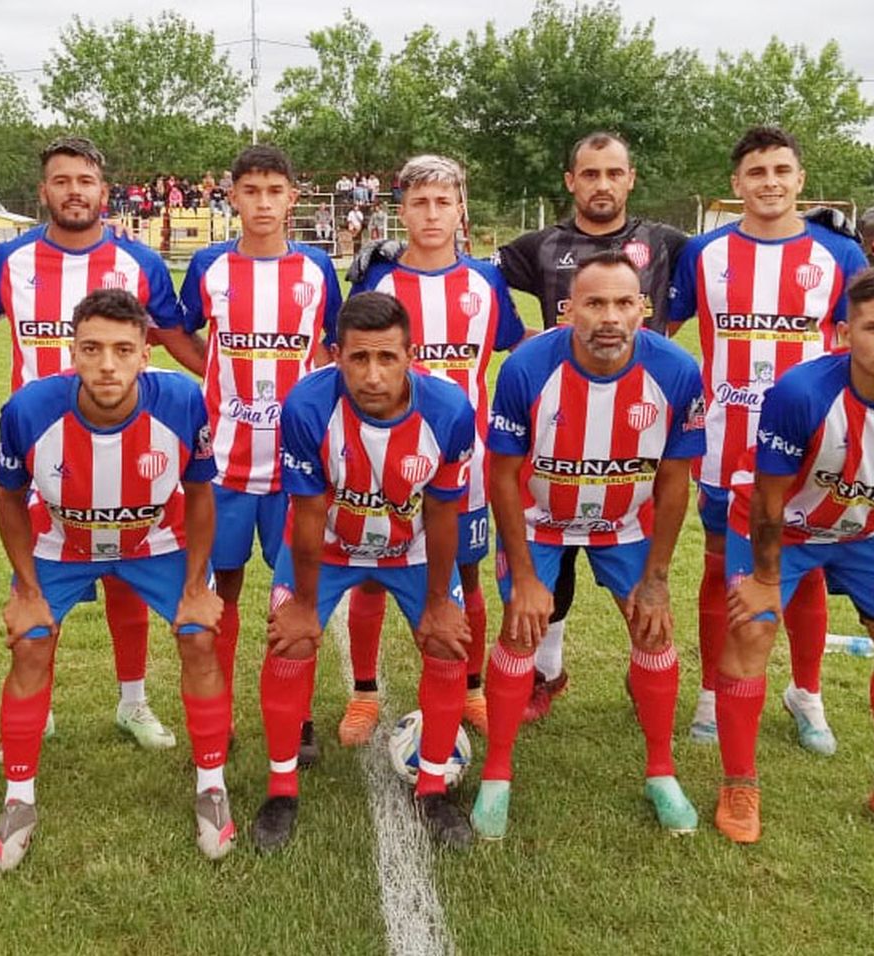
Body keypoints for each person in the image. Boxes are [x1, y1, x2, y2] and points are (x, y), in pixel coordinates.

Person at [714, 269, 874, 846]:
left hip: (869, 531)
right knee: (751, 628)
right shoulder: (801, 392)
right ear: (843, 333)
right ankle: (738, 782)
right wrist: (762, 578)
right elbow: (768, 499)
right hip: (785, 527)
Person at [0, 288, 230, 867]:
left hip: (156, 540)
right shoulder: (27, 410)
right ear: (71, 351)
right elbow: (10, 501)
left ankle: (212, 787)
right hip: (61, 543)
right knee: (29, 646)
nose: (106, 365)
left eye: (124, 350)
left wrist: (196, 586)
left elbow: (199, 496)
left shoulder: (182, 401)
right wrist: (25, 590)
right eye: (91, 349)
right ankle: (19, 798)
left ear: (147, 353)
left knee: (199, 639)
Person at [473, 251, 707, 840]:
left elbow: (676, 480)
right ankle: (497, 775)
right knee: (520, 628)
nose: (610, 317)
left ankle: (661, 772)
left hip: (626, 524)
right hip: (539, 519)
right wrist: (526, 577)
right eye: (595, 303)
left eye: (624, 303)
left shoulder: (677, 372)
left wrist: (655, 579)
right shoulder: (527, 368)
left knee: (653, 629)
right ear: (568, 308)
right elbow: (502, 474)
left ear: (643, 310)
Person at [0, 135, 192, 750]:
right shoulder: (9, 262)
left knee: (126, 577)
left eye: (85, 180)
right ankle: (36, 706)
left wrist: (227, 381)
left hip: (130, 443)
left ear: (104, 191)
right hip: (43, 451)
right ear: (43, 190)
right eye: (61, 180)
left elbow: (174, 339)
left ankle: (133, 703)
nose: (74, 191)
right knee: (43, 580)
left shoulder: (139, 264)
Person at [251, 291, 477, 851]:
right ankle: (282, 789)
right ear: (335, 355)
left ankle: (432, 790)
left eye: (387, 358)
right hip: (325, 544)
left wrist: (440, 602)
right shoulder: (306, 406)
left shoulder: (448, 409)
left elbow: (444, 513)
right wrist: (302, 606)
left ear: (410, 355)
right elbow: (305, 513)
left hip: (415, 545)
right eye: (358, 359)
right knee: (290, 644)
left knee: (448, 646)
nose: (373, 375)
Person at [668, 126, 868, 755]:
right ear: (737, 185)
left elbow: (859, 348)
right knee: (717, 567)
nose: (770, 183)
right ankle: (708, 691)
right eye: (757, 173)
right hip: (727, 442)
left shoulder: (839, 254)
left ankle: (805, 692)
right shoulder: (703, 253)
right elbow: (662, 333)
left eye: (782, 170)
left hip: (813, 448)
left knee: (803, 571)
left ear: (800, 180)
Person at [492, 131, 688, 722]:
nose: (602, 184)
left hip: (635, 421)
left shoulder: (668, 243)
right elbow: (472, 276)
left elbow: (735, 254)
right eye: (590, 173)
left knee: (632, 554)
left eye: (614, 172)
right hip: (560, 422)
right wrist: (519, 338)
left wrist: (830, 236)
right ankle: (546, 671)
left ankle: (643, 676)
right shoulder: (542, 245)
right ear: (570, 181)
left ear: (630, 179)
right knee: (554, 563)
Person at [156, 144, 342, 762]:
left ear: (293, 198)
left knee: (294, 591)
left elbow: (334, 347)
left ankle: (302, 715)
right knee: (223, 590)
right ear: (232, 197)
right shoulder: (209, 266)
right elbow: (177, 330)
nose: (263, 203)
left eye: (274, 191)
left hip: (298, 466)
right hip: (226, 464)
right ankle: (224, 711)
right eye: (250, 191)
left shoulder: (317, 269)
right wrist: (209, 376)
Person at [341, 154, 527, 745]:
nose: (431, 213)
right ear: (402, 210)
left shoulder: (485, 282)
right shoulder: (381, 281)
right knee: (372, 575)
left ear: (460, 210)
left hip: (464, 464)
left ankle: (470, 684)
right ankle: (365, 692)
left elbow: (512, 352)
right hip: (382, 460)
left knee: (466, 579)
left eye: (443, 202)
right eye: (419, 202)